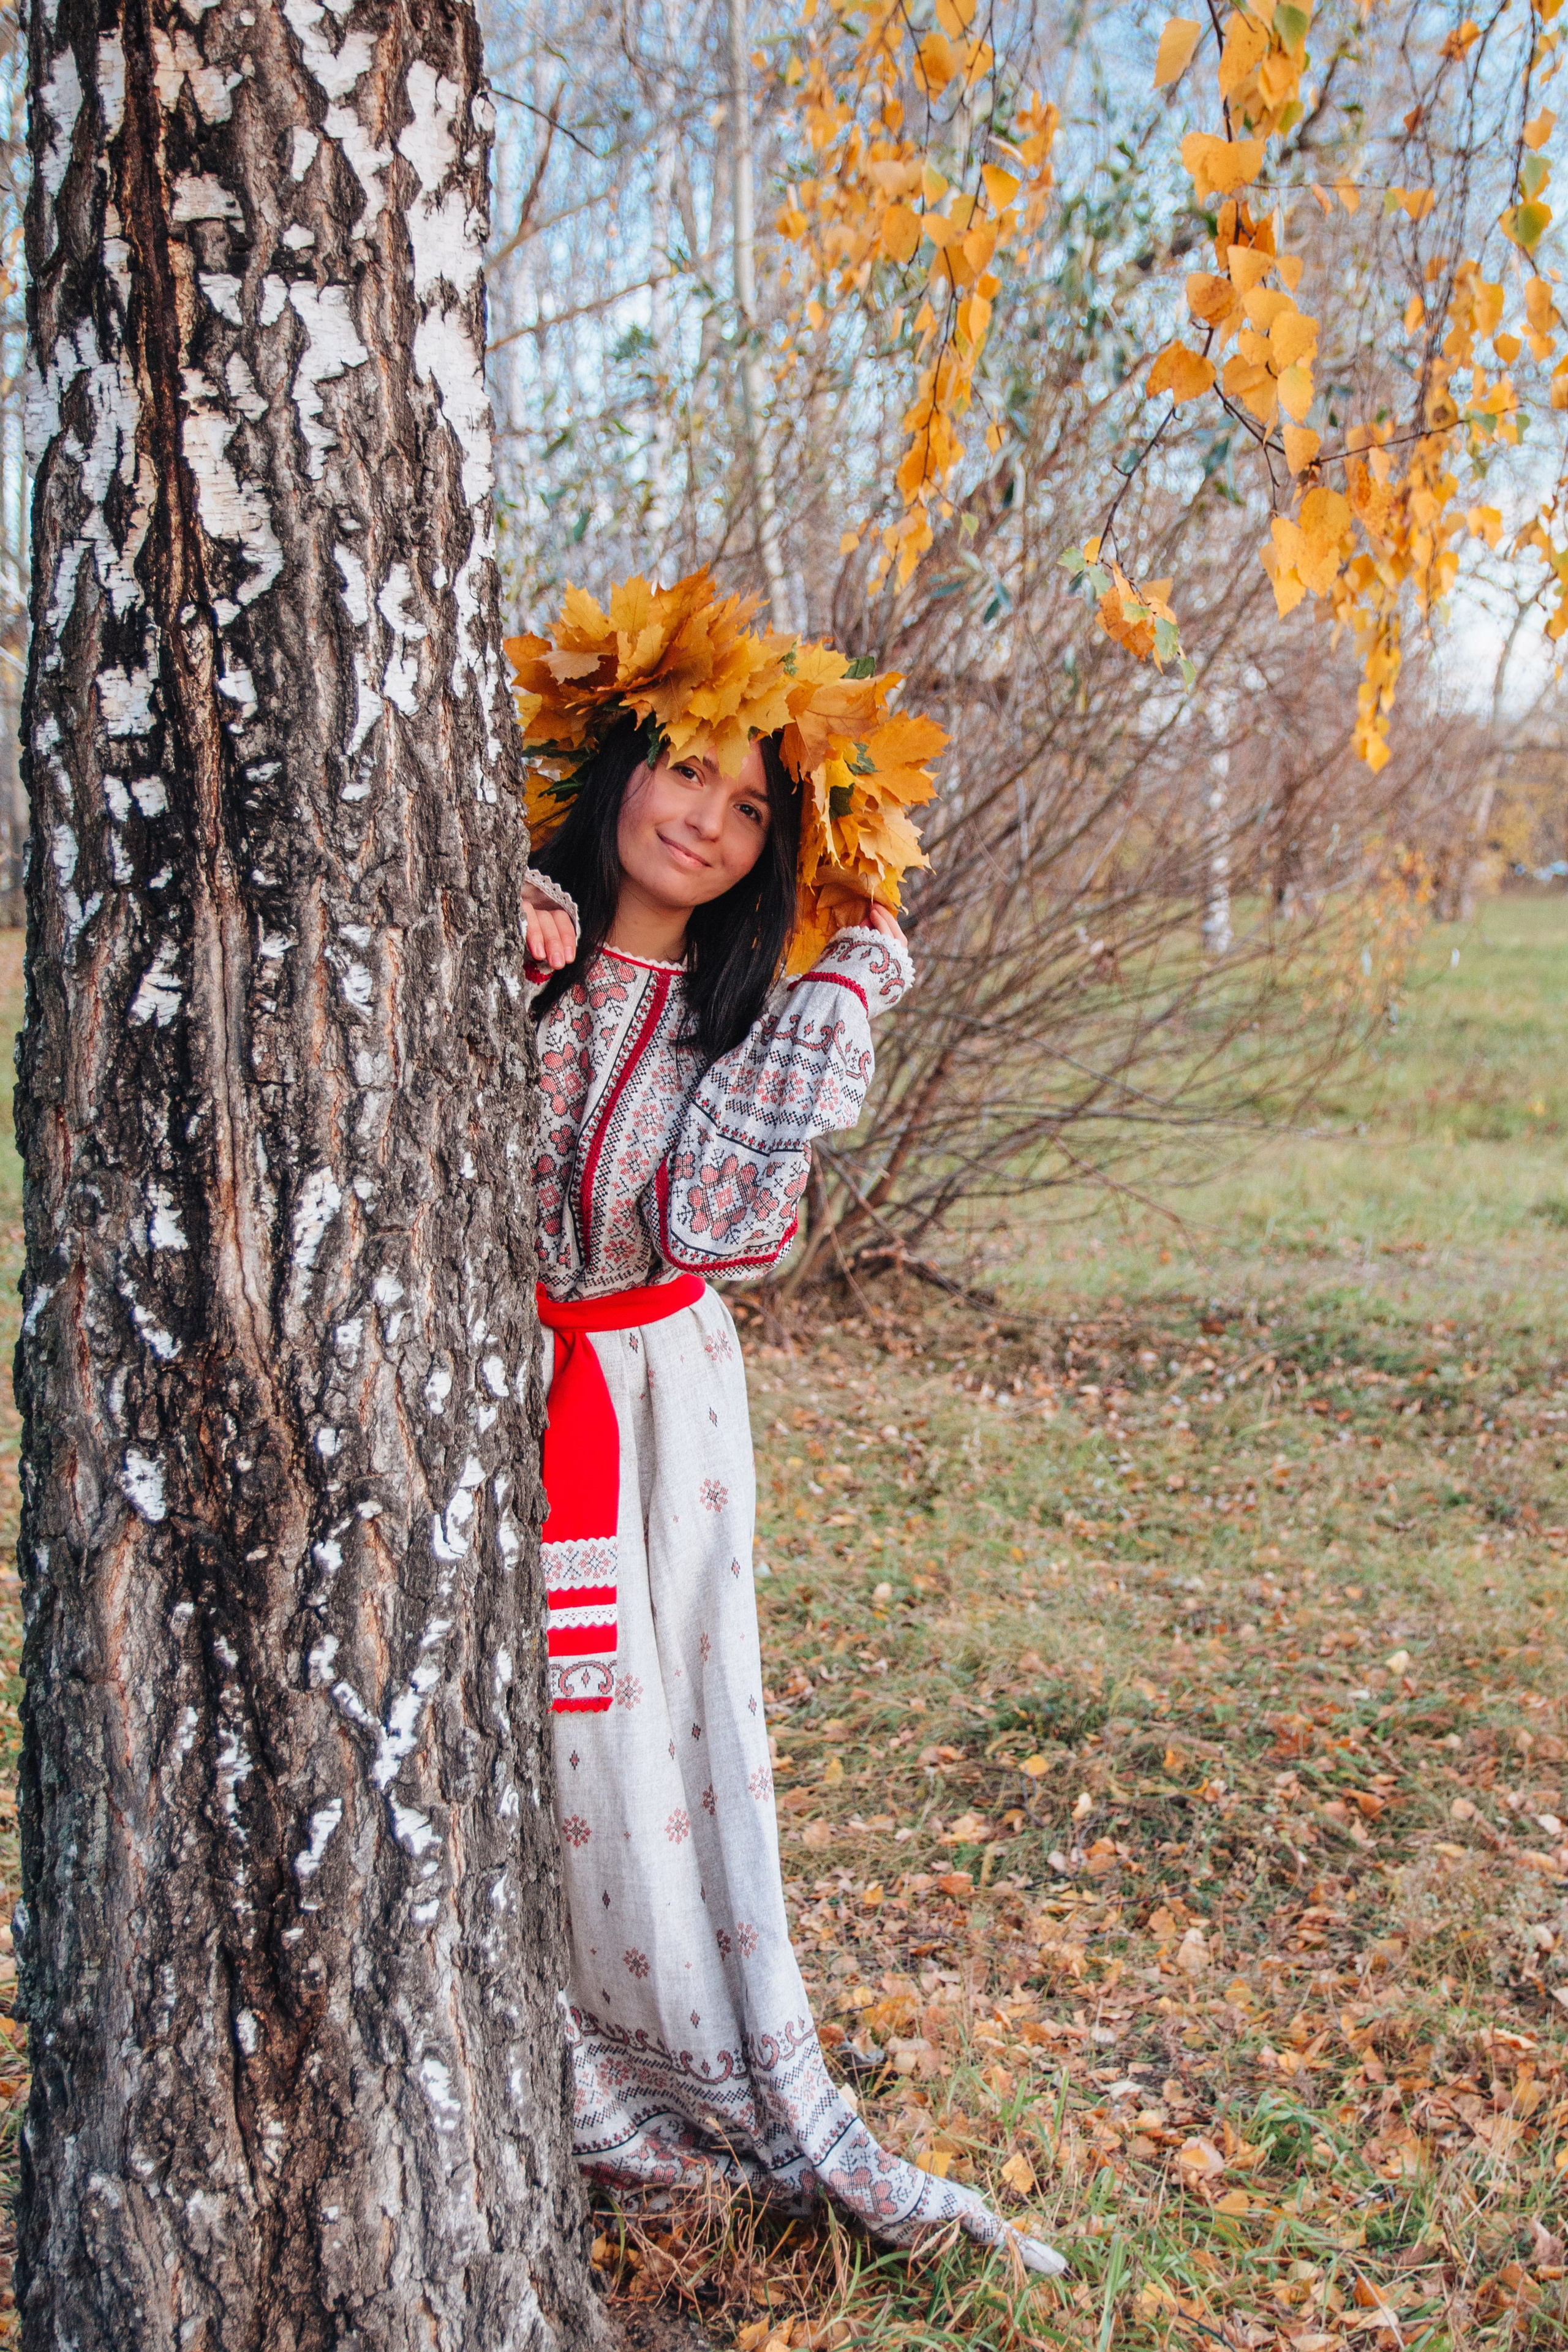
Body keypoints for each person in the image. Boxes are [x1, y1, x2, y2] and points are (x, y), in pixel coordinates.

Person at [511, 574, 1065, 2274]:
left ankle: (655, 2065)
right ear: (616, 769)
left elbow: (717, 1233)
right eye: (687, 771)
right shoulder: (502, 933)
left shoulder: (744, 1019)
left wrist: (844, 982)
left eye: (754, 809)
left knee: (638, 1733)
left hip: (649, 1402)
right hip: (482, 1380)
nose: (707, 819)